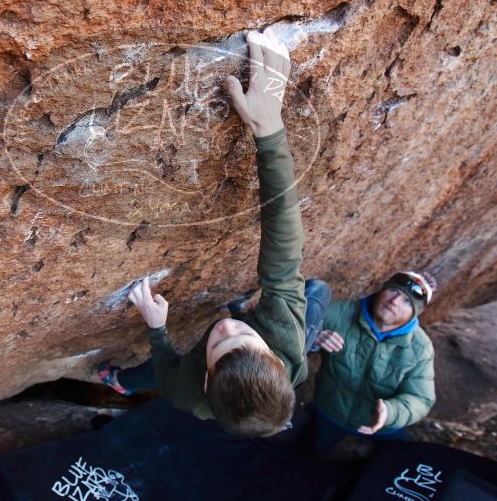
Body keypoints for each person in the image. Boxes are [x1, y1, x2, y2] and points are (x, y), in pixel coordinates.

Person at [96, 29, 317, 437]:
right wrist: (269, 131)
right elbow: (283, 244)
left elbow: (168, 369)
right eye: (245, 340)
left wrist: (157, 328)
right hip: (279, 336)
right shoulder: (287, 340)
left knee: (153, 376)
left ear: (206, 378)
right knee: (312, 292)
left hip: (188, 376)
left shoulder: (189, 395)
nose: (228, 328)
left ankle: (121, 382)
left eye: (218, 346)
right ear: (274, 356)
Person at [305, 271, 437, 454]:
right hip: (330, 413)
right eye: (393, 291)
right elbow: (290, 334)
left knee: (407, 460)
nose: (395, 301)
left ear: (415, 313)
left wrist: (391, 412)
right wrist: (312, 339)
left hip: (383, 426)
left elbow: (421, 399)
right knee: (306, 456)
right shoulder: (339, 314)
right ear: (382, 289)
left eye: (407, 301)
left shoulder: (420, 348)